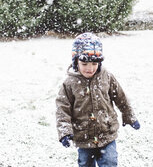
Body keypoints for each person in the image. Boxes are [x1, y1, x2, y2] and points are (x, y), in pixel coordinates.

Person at [56, 32, 140, 167]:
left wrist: (129, 115)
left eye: (94, 63)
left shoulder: (106, 77)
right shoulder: (70, 83)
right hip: (83, 135)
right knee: (85, 164)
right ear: (76, 62)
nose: (90, 68)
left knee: (110, 162)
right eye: (84, 64)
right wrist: (65, 131)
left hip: (106, 133)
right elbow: (62, 109)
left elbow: (120, 97)